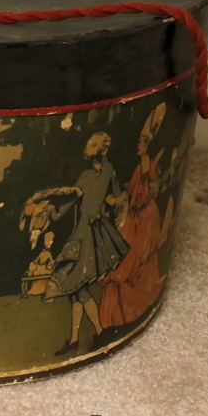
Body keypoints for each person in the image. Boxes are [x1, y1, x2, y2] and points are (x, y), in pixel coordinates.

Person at [44, 132, 131, 356]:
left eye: (93, 144)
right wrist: (52, 212)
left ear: (102, 148)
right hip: (80, 233)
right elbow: (74, 199)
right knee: (76, 291)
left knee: (78, 288)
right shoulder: (84, 175)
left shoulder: (109, 170)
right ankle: (83, 336)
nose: (88, 147)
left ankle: (88, 335)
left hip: (94, 233)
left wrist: (122, 199)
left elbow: (111, 198)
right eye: (89, 144)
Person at [100, 104, 168, 327]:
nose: (138, 146)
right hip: (134, 216)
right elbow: (131, 193)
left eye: (143, 142)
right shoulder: (141, 167)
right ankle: (118, 317)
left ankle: (132, 308)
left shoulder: (148, 166)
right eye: (139, 141)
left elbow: (149, 186)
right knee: (125, 256)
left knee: (135, 257)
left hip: (145, 218)